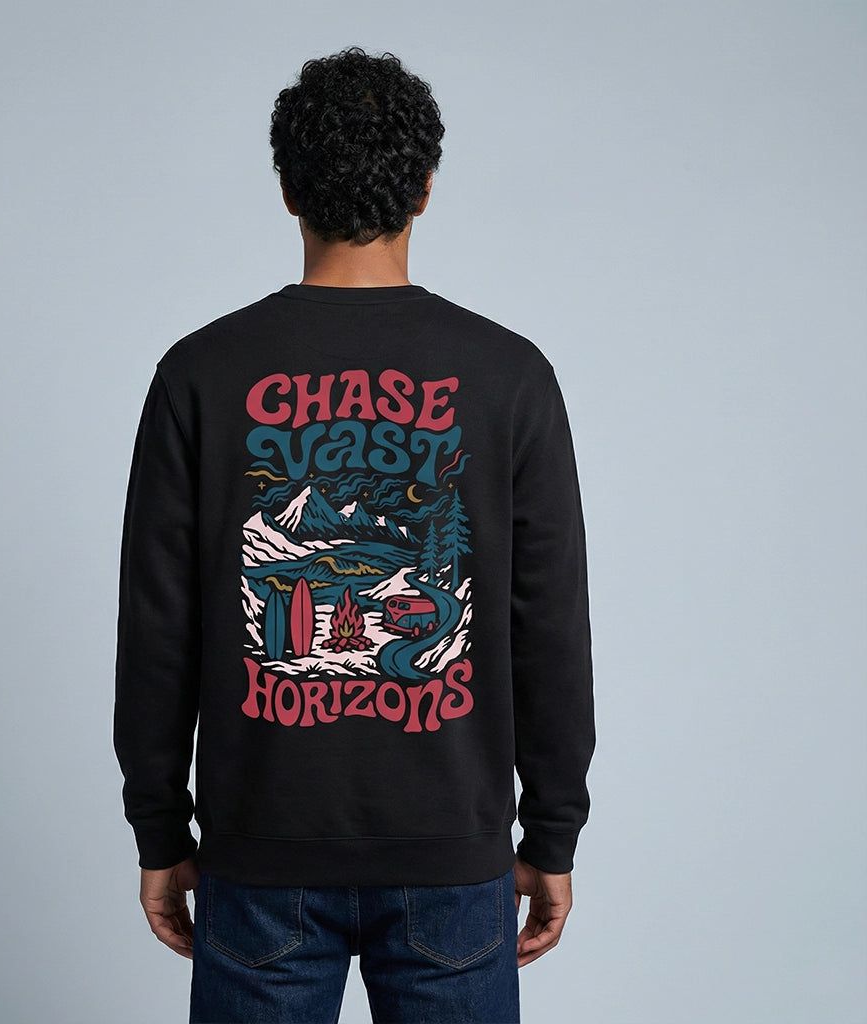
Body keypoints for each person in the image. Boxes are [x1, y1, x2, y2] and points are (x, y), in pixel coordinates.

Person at [114, 46, 596, 1024]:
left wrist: (159, 830)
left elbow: (156, 625)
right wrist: (551, 835)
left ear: (288, 189)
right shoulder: (508, 375)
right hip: (450, 856)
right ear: (425, 189)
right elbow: (548, 623)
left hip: (261, 854)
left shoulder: (201, 372)